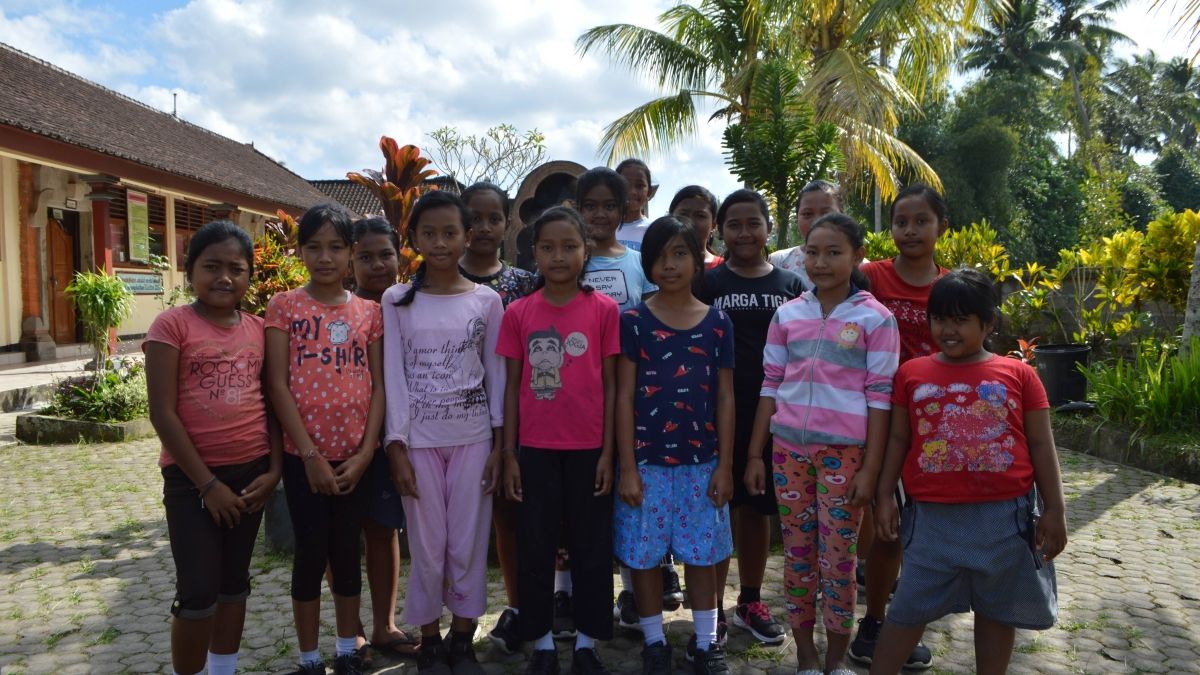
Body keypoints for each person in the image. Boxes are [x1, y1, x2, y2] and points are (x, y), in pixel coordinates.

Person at [869, 268, 1067, 675]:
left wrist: (1055, 510)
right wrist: (885, 495)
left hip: (1004, 520)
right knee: (906, 610)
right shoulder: (911, 373)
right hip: (930, 521)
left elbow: (1043, 445)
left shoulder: (1020, 375)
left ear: (988, 322)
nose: (948, 329)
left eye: (961, 319)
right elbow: (898, 441)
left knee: (997, 611)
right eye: (939, 318)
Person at [744, 213, 900, 675]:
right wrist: (756, 452)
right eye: (813, 252)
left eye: (834, 252)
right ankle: (806, 656)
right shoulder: (788, 314)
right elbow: (770, 385)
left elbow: (880, 397)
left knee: (838, 559)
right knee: (797, 554)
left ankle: (836, 658)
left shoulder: (876, 318)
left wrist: (870, 469)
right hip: (788, 452)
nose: (821, 262)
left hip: (845, 457)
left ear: (858, 256)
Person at [145, 220, 282, 675]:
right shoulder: (172, 325)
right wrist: (207, 485)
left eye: (236, 268)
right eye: (211, 266)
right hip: (192, 482)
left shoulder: (261, 329)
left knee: (233, 583)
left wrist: (274, 471)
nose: (224, 277)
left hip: (252, 476)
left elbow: (274, 403)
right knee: (199, 590)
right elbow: (162, 413)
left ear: (249, 277)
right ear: (189, 272)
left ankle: (222, 669)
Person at [382, 191, 506, 675]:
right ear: (412, 238)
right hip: (418, 445)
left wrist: (498, 444)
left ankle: (462, 636)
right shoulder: (397, 300)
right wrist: (396, 445)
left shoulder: (486, 300)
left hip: (474, 440)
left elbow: (494, 374)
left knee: (468, 542)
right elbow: (393, 374)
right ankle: (429, 638)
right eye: (428, 233)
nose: (439, 242)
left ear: (466, 236)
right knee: (428, 545)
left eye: (449, 232)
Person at [498, 206, 620, 675]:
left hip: (590, 450)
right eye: (547, 247)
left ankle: (587, 644)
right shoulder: (519, 312)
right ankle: (543, 643)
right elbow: (511, 387)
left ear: (586, 251)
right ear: (534, 253)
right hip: (535, 451)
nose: (559, 255)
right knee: (536, 547)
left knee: (592, 547)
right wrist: (509, 453)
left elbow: (610, 386)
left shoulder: (604, 310)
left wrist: (609, 452)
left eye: (569, 246)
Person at [265, 203, 385, 675]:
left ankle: (346, 649)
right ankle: (310, 658)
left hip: (356, 457)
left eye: (336, 247)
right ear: (300, 251)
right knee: (311, 553)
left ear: (351, 253)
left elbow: (378, 386)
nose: (325, 257)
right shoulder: (285, 306)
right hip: (303, 458)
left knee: (346, 551)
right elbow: (277, 384)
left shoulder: (368, 312)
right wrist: (310, 455)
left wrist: (366, 452)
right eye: (314, 247)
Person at [614, 216, 736, 675]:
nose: (670, 264)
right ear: (647, 263)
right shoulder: (633, 321)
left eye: (680, 254)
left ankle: (706, 644)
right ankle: (654, 643)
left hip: (701, 463)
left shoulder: (718, 323)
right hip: (645, 463)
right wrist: (628, 466)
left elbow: (725, 397)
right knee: (644, 557)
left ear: (697, 260)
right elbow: (623, 396)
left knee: (703, 556)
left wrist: (724, 465)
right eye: (660, 256)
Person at [849, 184, 950, 670]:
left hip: (936, 429)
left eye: (920, 221)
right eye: (900, 221)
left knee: (923, 535)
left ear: (940, 227)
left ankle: (908, 623)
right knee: (885, 529)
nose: (909, 230)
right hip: (879, 421)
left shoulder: (952, 288)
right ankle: (873, 622)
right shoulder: (869, 277)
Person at [697, 189, 802, 646]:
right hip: (713, 414)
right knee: (716, 509)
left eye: (752, 223)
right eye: (734, 224)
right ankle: (712, 608)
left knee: (757, 510)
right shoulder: (706, 285)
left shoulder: (791, 287)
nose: (744, 232)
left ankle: (751, 601)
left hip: (772, 417)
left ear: (768, 228)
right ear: (719, 230)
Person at [457, 181, 536, 655]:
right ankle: (458, 618)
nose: (483, 227)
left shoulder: (524, 283)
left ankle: (520, 605)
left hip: (517, 414)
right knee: (461, 522)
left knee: (513, 513)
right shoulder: (436, 281)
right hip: (455, 417)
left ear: (509, 224)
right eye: (474, 218)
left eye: (494, 218)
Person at [343, 216, 421, 662]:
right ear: (351, 259)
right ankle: (350, 631)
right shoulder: (339, 309)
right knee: (343, 536)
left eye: (385, 255)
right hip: (346, 440)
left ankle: (385, 625)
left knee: (383, 529)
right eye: (365, 256)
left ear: (400, 257)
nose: (376, 264)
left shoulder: (408, 305)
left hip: (396, 439)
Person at [580, 166, 658, 312]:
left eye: (610, 206)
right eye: (590, 206)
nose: (600, 214)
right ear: (579, 209)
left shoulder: (640, 262)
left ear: (622, 210)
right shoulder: (565, 263)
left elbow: (651, 319)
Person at [767, 179, 842, 288]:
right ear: (797, 217)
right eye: (807, 214)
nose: (817, 221)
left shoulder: (858, 265)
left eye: (826, 213)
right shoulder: (777, 262)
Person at [669, 185, 723, 269]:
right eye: (683, 214)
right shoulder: (660, 266)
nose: (690, 222)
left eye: (700, 216)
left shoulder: (725, 268)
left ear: (713, 225)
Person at [615, 158, 658, 251]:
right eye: (625, 184)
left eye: (639, 186)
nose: (632, 192)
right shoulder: (606, 228)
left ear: (649, 192)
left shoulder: (653, 231)